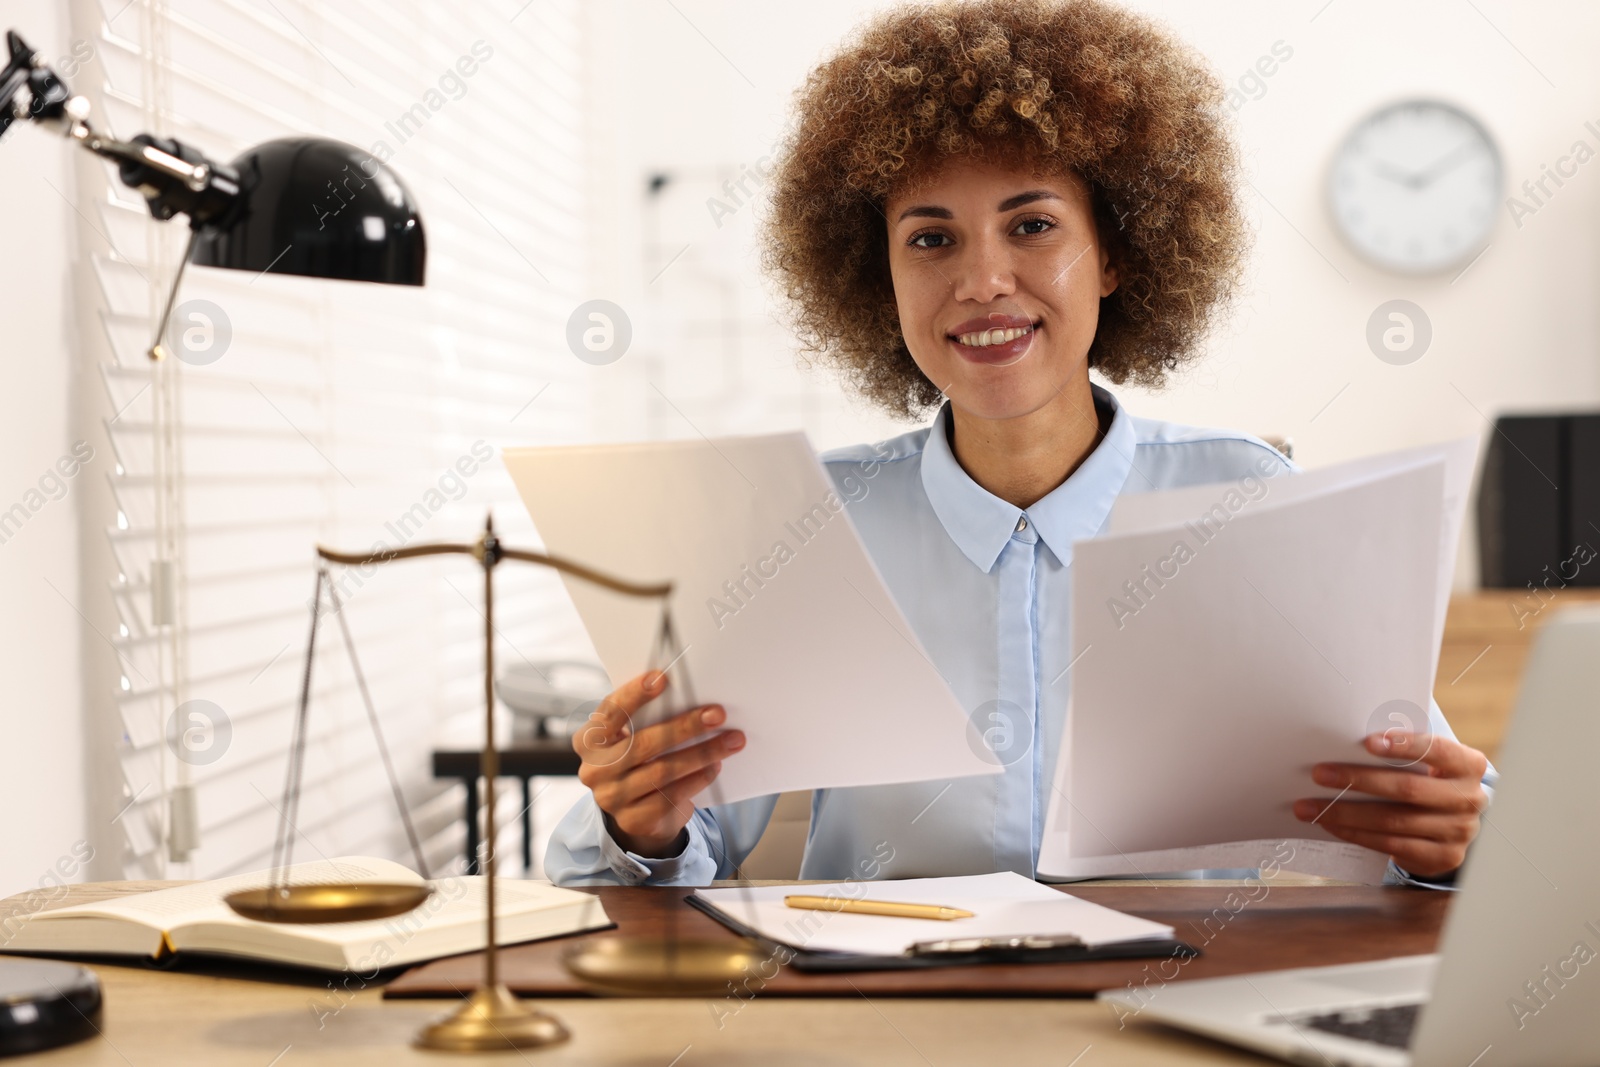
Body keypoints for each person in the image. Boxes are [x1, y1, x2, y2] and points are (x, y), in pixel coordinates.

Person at [545, 0, 1491, 888]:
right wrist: (640, 821)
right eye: (930, 239)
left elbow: (1435, 821)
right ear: (880, 276)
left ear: (1115, 252)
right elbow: (630, 858)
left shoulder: (1247, 494)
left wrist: (1452, 841)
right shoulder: (807, 526)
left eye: (1032, 225)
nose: (984, 279)